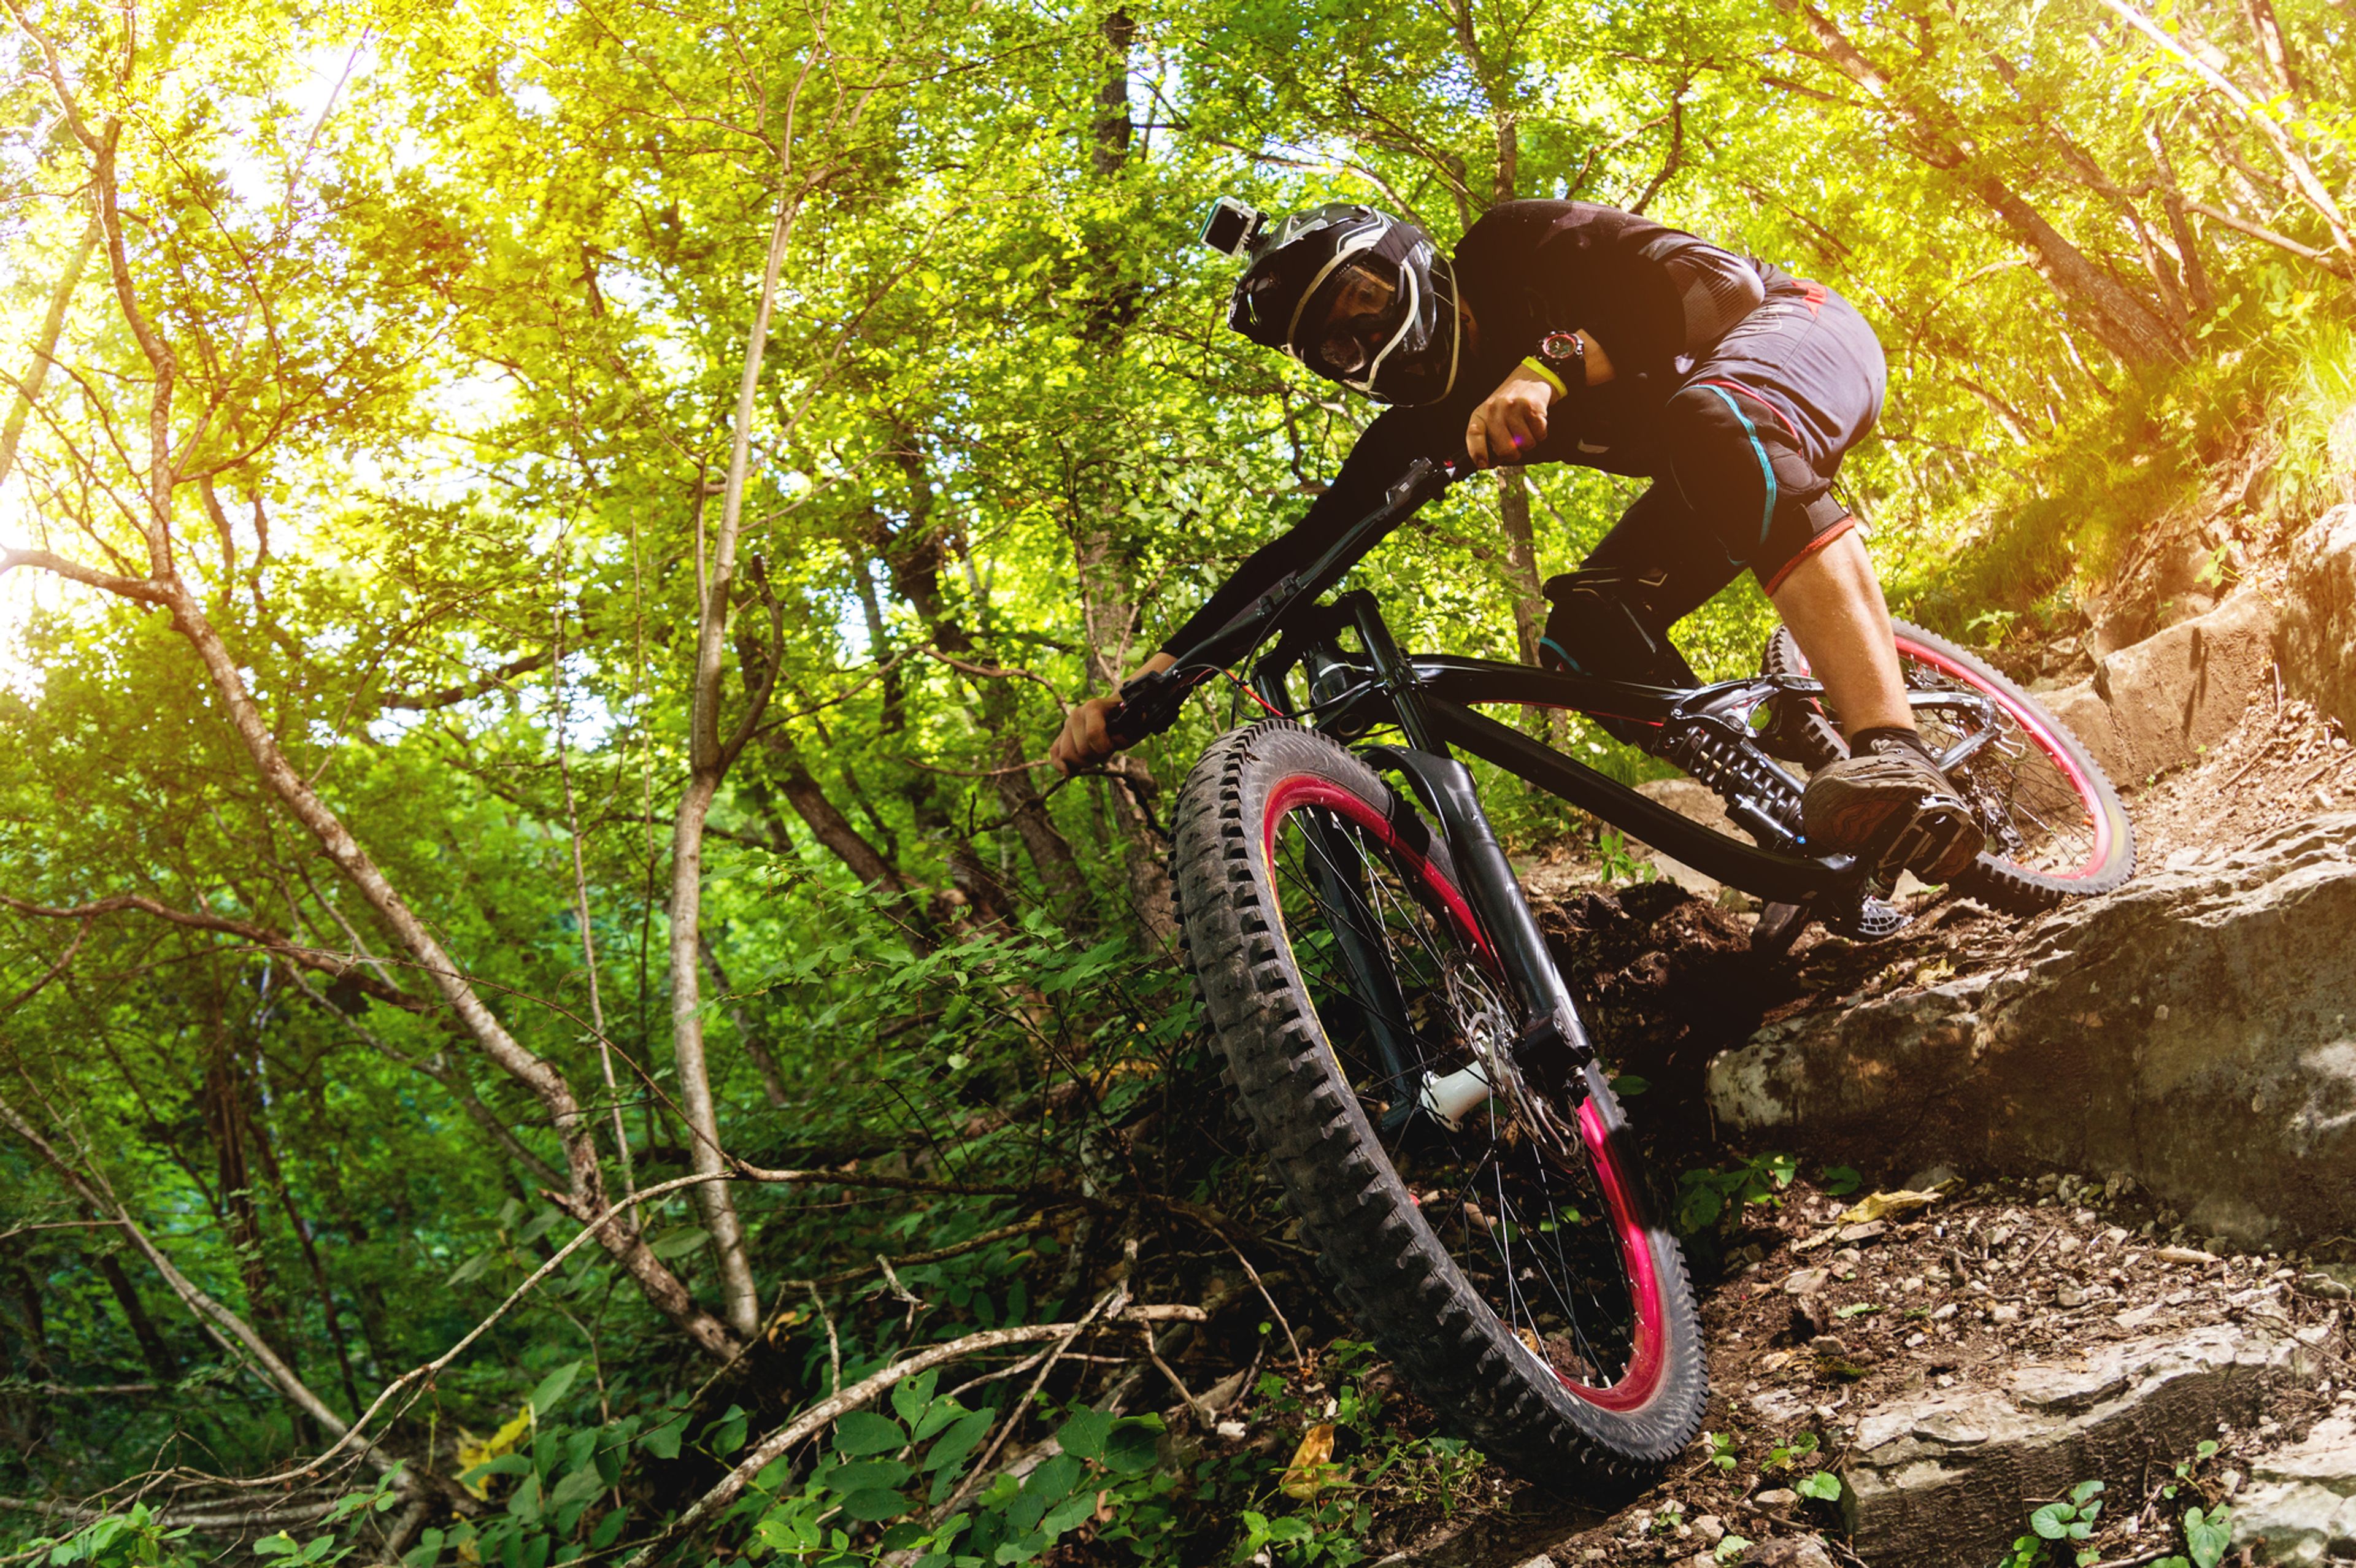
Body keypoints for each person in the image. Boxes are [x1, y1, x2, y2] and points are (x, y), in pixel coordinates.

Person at [1049, 198, 1983, 882]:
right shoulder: (1420, 429)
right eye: (1336, 345)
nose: (1364, 337)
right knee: (1584, 638)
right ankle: (1831, 790)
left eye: (1363, 301)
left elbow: (1712, 285)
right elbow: (1299, 559)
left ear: (1404, 258)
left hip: (1800, 337)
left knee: (1711, 418)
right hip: (1716, 461)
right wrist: (1153, 685)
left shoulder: (1517, 247)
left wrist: (1551, 366)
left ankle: (1888, 739)